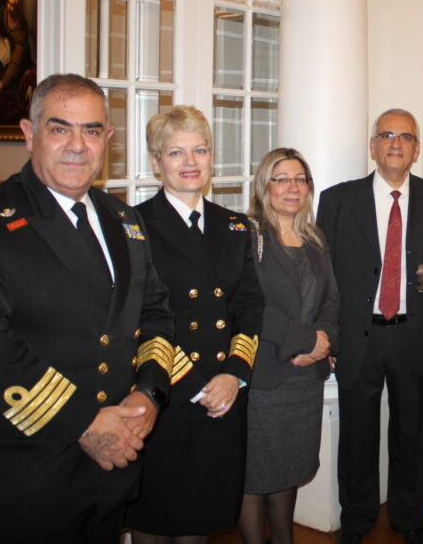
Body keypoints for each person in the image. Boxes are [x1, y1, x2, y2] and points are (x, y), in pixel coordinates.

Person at [0, 73, 175, 542]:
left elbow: (157, 315)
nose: (77, 146)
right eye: (60, 128)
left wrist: (149, 393)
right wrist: (84, 424)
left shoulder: (124, 220)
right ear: (29, 133)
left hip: (115, 464)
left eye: (92, 130)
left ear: (108, 139)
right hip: (30, 471)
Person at [317, 108, 423, 544]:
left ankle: (409, 519)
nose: (396, 143)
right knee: (357, 437)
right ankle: (356, 522)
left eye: (406, 137)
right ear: (373, 145)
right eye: (387, 135)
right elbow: (324, 276)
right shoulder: (338, 200)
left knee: (411, 435)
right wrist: (330, 334)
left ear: (417, 149)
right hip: (358, 336)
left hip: (412, 333)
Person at [125, 106, 264, 543]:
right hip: (165, 395)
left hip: (224, 395)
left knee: (200, 521)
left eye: (200, 150)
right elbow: (138, 317)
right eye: (175, 152)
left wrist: (234, 374)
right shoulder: (133, 226)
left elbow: (250, 305)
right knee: (153, 519)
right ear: (156, 162)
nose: (190, 162)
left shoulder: (235, 225)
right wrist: (197, 386)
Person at [239, 147, 339, 544]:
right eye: (281, 179)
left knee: (289, 468)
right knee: (255, 473)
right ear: (264, 186)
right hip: (265, 376)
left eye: (300, 179)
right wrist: (305, 340)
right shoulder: (248, 236)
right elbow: (249, 305)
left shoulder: (315, 237)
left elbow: (332, 299)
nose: (292, 187)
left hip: (305, 379)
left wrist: (325, 340)